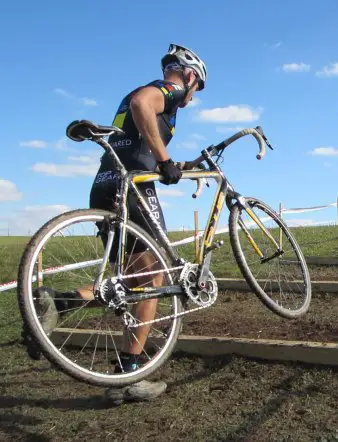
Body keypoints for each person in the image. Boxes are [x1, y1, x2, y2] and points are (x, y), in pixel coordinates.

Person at [21, 43, 207, 405]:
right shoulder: (171, 89)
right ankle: (129, 374)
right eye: (197, 86)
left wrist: (175, 165)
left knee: (129, 284)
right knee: (155, 280)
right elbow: (143, 104)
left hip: (104, 186)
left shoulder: (136, 99)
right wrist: (165, 159)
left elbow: (138, 138)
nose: (193, 95)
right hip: (133, 190)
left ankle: (57, 303)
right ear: (189, 76)